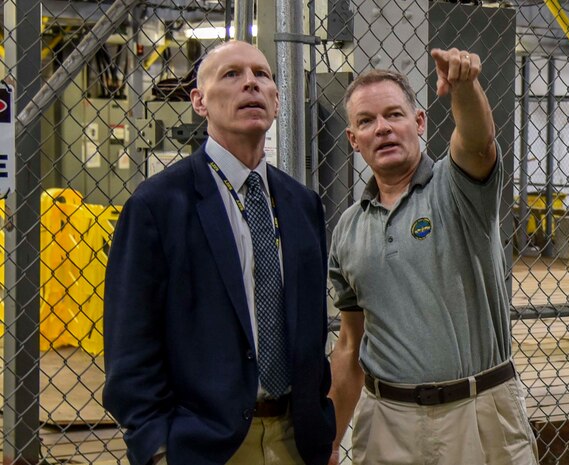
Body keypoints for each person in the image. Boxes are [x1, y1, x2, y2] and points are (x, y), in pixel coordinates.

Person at [103, 41, 335, 465]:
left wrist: (320, 427)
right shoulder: (158, 205)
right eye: (231, 74)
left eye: (262, 75)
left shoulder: (303, 205)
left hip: (296, 439)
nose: (251, 83)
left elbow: (312, 330)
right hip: (205, 444)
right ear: (199, 102)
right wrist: (157, 447)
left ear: (278, 101)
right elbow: (129, 341)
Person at [327, 49, 539, 465]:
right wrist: (332, 440)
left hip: (477, 417)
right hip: (386, 422)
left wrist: (464, 88)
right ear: (353, 139)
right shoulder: (348, 229)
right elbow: (350, 344)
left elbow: (477, 142)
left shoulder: (457, 188)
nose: (382, 129)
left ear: (419, 122)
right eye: (366, 122)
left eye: (394, 115)